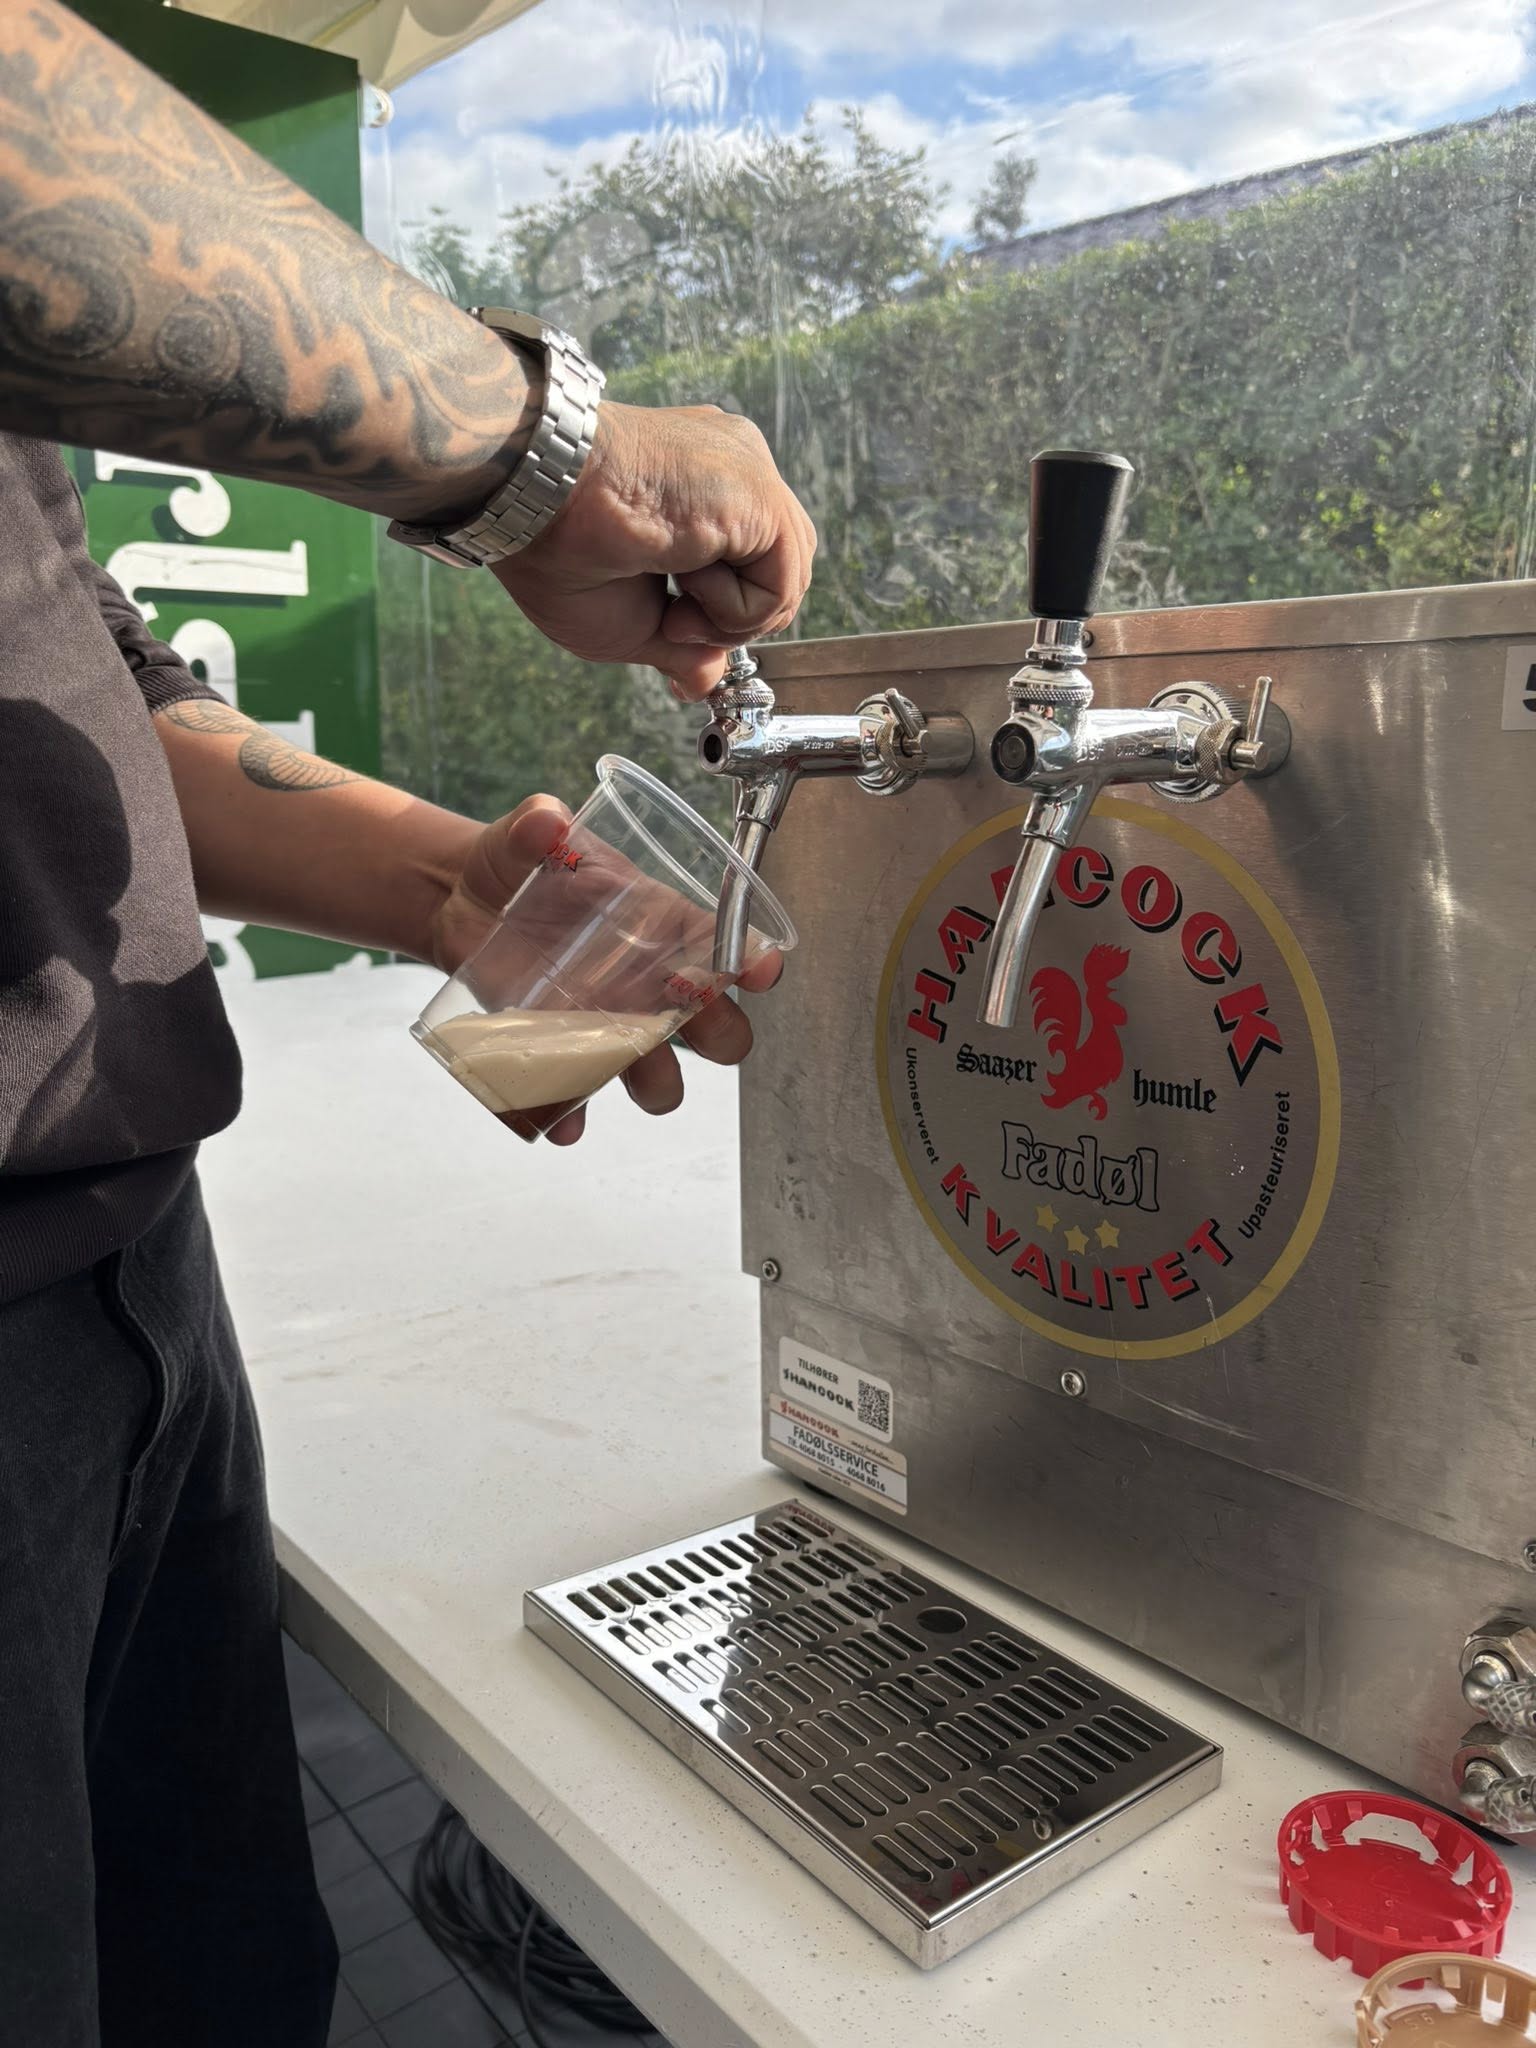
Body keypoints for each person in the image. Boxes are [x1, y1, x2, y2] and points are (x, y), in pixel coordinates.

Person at [0, 6, 815, 2044]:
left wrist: (450, 887)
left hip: (118, 1282)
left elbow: (78, 678)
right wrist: (542, 450)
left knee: (228, 1990)